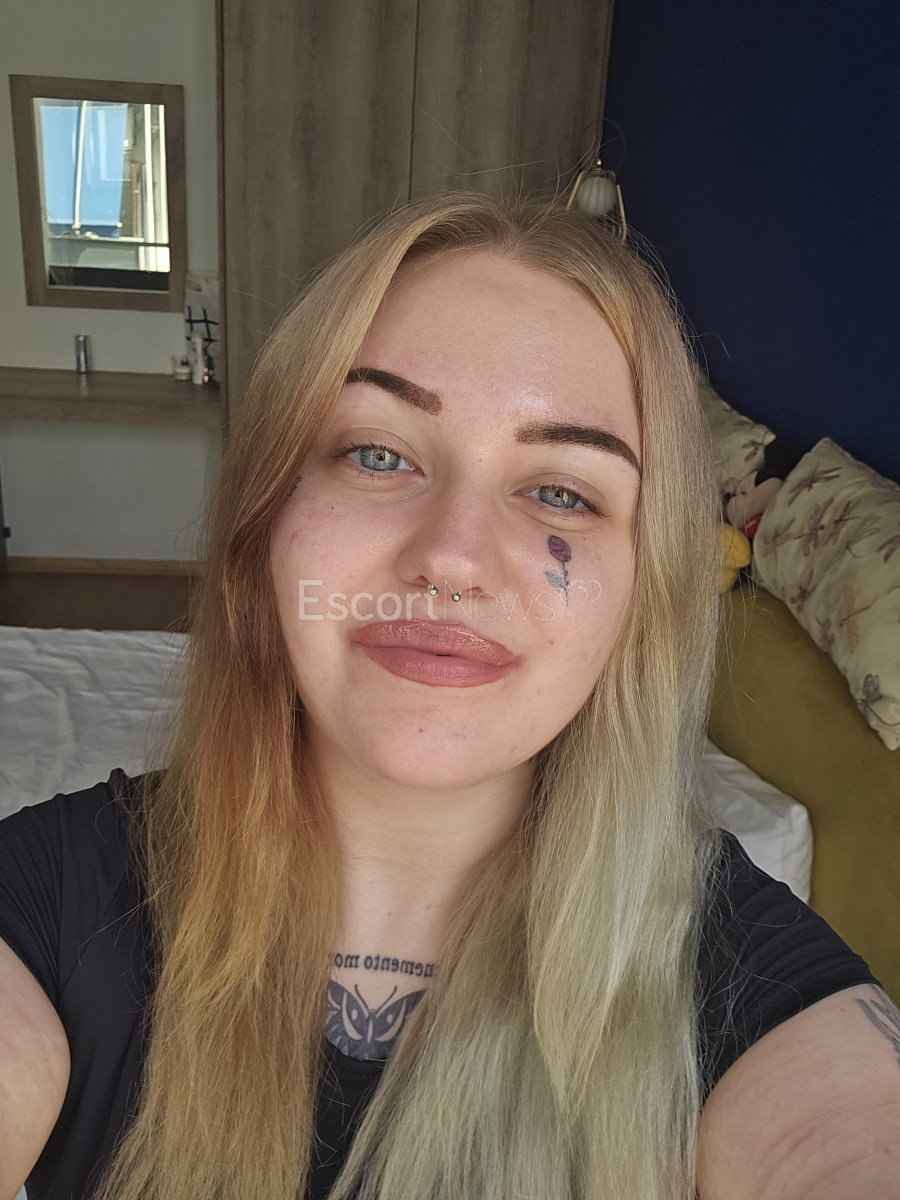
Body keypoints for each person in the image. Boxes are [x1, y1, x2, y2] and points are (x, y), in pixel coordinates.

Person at [1, 194, 898, 1200]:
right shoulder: (50, 897)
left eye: (561, 492)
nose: (454, 559)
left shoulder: (742, 976)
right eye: (378, 453)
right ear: (265, 526)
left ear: (641, 601)